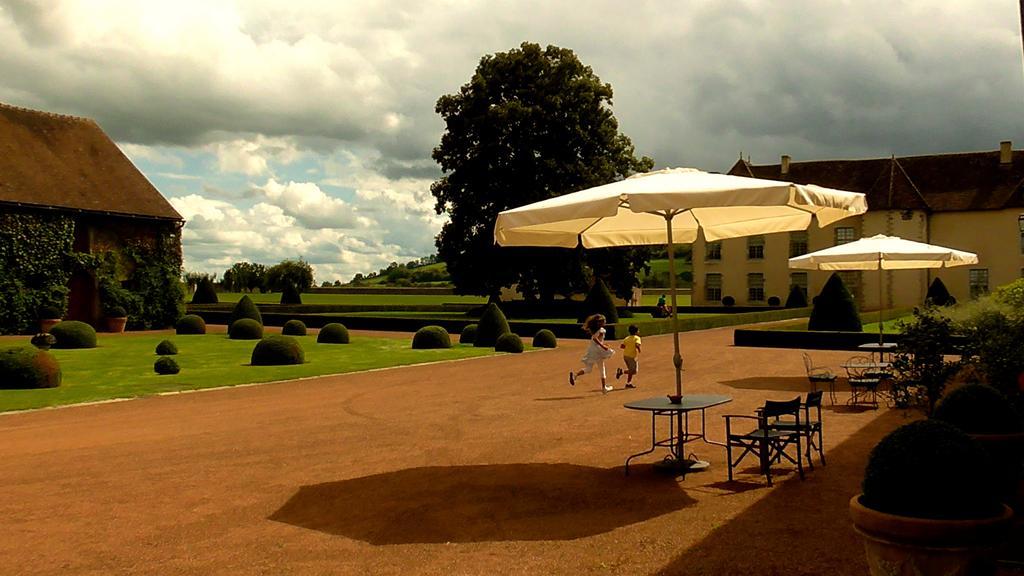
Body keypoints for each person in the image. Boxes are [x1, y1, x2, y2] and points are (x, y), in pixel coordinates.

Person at [569, 313, 615, 392]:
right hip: (598, 351)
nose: (605, 322)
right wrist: (603, 346)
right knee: (602, 368)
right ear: (600, 322)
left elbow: (597, 339)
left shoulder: (595, 330)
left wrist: (603, 344)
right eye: (604, 321)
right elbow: (595, 339)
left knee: (588, 369)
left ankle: (575, 375)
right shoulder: (602, 330)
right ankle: (604, 388)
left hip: (591, 350)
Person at [616, 324, 641, 388]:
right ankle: (621, 372)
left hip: (625, 356)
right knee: (634, 371)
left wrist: (628, 347)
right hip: (632, 356)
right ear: (636, 332)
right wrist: (638, 349)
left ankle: (628, 383)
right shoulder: (637, 338)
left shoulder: (626, 338)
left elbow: (622, 346)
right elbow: (637, 344)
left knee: (630, 370)